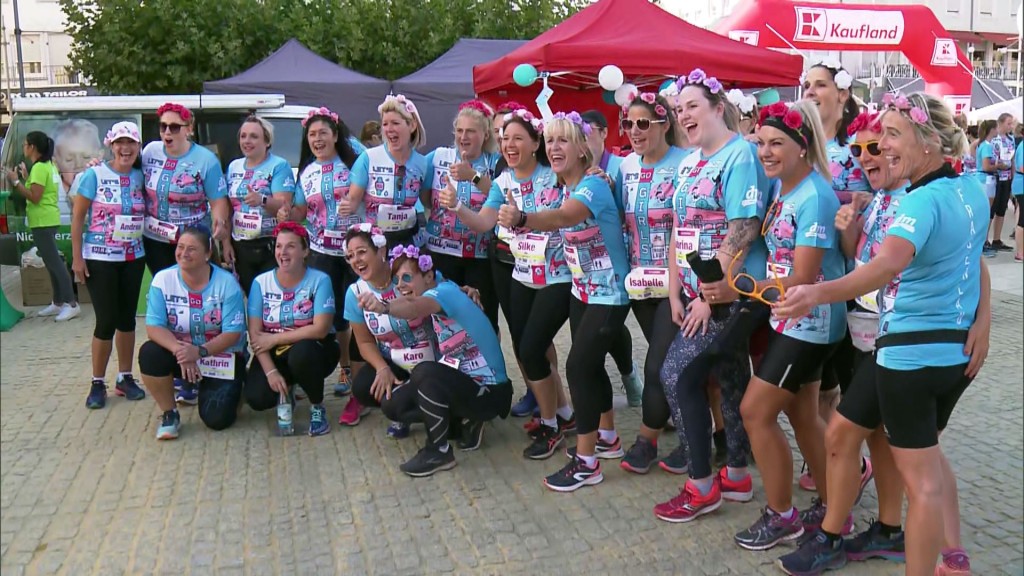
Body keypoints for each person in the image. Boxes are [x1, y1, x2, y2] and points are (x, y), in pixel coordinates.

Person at [774, 91, 989, 576]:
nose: (881, 146)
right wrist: (983, 322)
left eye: (892, 135)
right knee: (884, 445)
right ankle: (949, 556)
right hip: (944, 355)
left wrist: (814, 293)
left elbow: (886, 265)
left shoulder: (922, 203)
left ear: (929, 142)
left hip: (910, 358)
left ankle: (928, 561)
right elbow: (974, 255)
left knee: (923, 482)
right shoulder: (970, 188)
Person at [776, 111, 910, 574]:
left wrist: (984, 323)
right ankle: (890, 530)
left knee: (840, 432)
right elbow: (858, 258)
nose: (867, 157)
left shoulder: (918, 198)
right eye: (859, 150)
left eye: (877, 147)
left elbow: (971, 261)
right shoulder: (875, 201)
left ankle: (831, 536)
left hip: (899, 339)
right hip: (864, 333)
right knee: (876, 436)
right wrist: (850, 225)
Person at [649, 70, 766, 521]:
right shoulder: (690, 161)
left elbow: (743, 229)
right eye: (679, 110)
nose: (684, 116)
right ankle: (735, 474)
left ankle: (701, 486)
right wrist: (675, 290)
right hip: (697, 292)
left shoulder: (739, 156)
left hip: (732, 294)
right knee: (731, 379)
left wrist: (707, 296)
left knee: (676, 374)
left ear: (719, 108)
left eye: (692, 106)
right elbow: (681, 227)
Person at [732, 100, 848, 551]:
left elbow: (804, 276)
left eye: (777, 143)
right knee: (803, 415)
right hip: (791, 316)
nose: (765, 151)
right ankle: (833, 499)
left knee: (754, 412)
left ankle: (783, 516)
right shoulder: (787, 187)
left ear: (803, 147)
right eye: (760, 142)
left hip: (809, 321)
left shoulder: (815, 195)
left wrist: (745, 286)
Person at [497, 111, 632, 492]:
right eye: (550, 140)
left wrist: (522, 218)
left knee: (576, 367)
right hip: (581, 289)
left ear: (582, 147)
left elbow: (561, 218)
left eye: (563, 141)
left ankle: (586, 461)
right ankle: (607, 436)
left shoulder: (592, 187)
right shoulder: (561, 184)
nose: (555, 148)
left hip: (610, 292)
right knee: (591, 367)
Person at [449, 109, 577, 460]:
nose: (509, 145)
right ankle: (564, 416)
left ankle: (551, 426)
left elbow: (586, 182)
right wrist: (458, 206)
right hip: (521, 275)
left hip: (559, 276)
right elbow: (482, 223)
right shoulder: (503, 181)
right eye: (504, 139)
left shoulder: (556, 176)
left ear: (536, 143)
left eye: (518, 138)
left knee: (533, 348)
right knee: (526, 348)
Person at [356, 245, 514, 476]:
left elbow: (413, 308)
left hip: (490, 392)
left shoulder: (441, 294)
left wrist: (383, 307)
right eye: (397, 279)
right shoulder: (445, 286)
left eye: (407, 277)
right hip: (464, 381)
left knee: (425, 373)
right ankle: (463, 425)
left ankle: (439, 451)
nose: (400, 285)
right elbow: (412, 301)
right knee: (393, 404)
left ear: (428, 276)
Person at [800, 60, 872, 491]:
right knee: (822, 388)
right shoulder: (800, 149)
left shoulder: (858, 153)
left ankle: (854, 462)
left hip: (852, 289)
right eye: (807, 84)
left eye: (820, 84)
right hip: (808, 288)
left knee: (846, 385)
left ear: (842, 95)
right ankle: (835, 457)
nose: (811, 90)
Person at [612, 92, 691, 475]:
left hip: (678, 284)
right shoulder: (625, 166)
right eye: (629, 124)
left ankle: (646, 441)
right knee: (675, 366)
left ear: (664, 124)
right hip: (639, 285)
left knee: (658, 365)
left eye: (643, 123)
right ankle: (700, 435)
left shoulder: (686, 163)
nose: (634, 131)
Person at [280, 107, 361, 399]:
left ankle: (368, 367)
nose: (317, 139)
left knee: (361, 310)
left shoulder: (355, 163)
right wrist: (289, 211)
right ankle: (346, 367)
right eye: (312, 134)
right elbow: (302, 211)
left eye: (323, 133)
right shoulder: (307, 171)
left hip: (357, 250)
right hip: (322, 250)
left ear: (335, 135)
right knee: (336, 312)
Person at [138, 225, 247, 440]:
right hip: (183, 355)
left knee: (217, 420)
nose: (183, 253)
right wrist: (181, 351)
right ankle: (169, 413)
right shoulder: (162, 279)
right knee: (149, 353)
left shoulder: (227, 283)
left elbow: (233, 333)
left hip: (219, 356)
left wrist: (198, 352)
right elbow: (154, 327)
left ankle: (239, 386)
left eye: (191, 249)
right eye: (180, 247)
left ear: (207, 254)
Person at [69, 121, 148, 409]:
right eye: (120, 143)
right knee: (106, 319)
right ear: (110, 145)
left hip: (133, 256)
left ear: (138, 147)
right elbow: (78, 218)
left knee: (127, 319)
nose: (125, 149)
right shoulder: (94, 174)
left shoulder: (141, 176)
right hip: (100, 258)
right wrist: (77, 258)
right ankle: (97, 381)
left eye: (131, 143)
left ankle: (125, 377)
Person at [243, 222, 338, 437]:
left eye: (291, 246)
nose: (283, 252)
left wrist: (275, 339)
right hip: (275, 353)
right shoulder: (260, 283)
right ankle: (289, 387)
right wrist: (270, 371)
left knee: (302, 354)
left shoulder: (320, 280)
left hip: (315, 349)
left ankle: (317, 406)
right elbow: (256, 335)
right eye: (278, 246)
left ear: (305, 251)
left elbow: (321, 329)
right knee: (257, 398)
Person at [344, 225, 438, 431]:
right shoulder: (354, 293)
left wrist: (466, 291)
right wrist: (382, 368)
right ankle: (406, 405)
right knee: (362, 387)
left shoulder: (408, 270)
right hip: (396, 360)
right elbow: (365, 341)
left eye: (361, 252)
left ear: (381, 251)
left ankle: (446, 412)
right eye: (350, 256)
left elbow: (444, 293)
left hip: (433, 357)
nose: (356, 260)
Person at [580, 108, 644, 407]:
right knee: (609, 330)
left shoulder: (622, 165)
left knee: (616, 326)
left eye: (588, 130)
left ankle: (635, 381)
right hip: (591, 268)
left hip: (634, 263)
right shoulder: (574, 167)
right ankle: (629, 381)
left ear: (604, 132)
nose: (583, 138)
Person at [422, 100, 501, 332]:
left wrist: (473, 176)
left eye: (471, 131)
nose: (463, 137)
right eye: (459, 130)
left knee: (483, 320)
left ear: (485, 134)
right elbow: (426, 198)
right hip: (441, 252)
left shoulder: (496, 162)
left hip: (480, 255)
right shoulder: (437, 157)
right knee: (442, 319)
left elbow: (503, 196)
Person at [141, 102, 229, 276]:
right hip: (155, 238)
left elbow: (218, 201)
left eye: (174, 127)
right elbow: (127, 168)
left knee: (195, 286)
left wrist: (219, 221)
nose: (167, 132)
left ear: (189, 129)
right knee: (165, 287)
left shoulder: (206, 160)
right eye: (163, 126)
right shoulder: (150, 151)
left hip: (192, 238)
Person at [5, 131, 80, 321]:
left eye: (25, 144)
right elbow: (41, 189)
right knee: (51, 262)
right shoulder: (48, 166)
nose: (23, 147)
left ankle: (71, 303)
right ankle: (58, 302)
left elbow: (34, 196)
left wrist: (15, 180)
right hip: (48, 219)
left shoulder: (40, 167)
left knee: (54, 263)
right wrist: (26, 176)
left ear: (32, 147)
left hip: (42, 221)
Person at [224, 116, 295, 295]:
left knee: (271, 295)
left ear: (267, 141)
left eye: (254, 137)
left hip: (269, 244)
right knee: (250, 296)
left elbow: (284, 206)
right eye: (243, 136)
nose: (247, 141)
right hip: (240, 244)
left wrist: (262, 200)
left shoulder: (279, 165)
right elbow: (227, 208)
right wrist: (225, 243)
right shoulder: (234, 167)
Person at [348, 94, 429, 248]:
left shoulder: (423, 163)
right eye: (385, 124)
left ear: (412, 126)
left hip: (410, 244)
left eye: (395, 123)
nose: (389, 129)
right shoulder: (368, 158)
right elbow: (352, 202)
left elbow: (427, 205)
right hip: (375, 245)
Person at [988, 113, 1018, 252]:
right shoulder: (994, 140)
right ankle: (985, 240)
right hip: (996, 177)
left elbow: (1012, 159)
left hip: (1007, 177)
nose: (1010, 126)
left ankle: (997, 238)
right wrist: (1000, 165)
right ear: (1000, 123)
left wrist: (1012, 176)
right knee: (991, 210)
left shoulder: (1011, 139)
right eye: (1008, 123)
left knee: (1002, 209)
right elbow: (992, 159)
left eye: (1012, 124)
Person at [1013, 138, 1024, 261]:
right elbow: (1022, 167)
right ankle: (1020, 253)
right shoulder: (1022, 146)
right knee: (1022, 220)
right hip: (1021, 187)